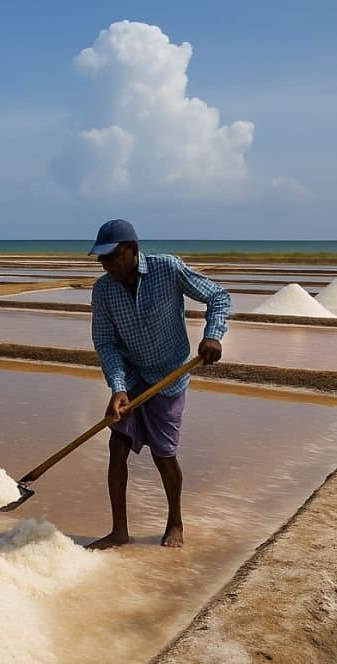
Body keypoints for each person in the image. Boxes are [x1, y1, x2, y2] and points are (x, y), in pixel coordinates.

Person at [86, 219, 230, 550]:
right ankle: (119, 530)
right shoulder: (104, 290)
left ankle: (175, 521)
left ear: (132, 251)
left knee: (164, 455)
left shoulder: (168, 268)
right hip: (133, 375)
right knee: (117, 447)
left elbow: (218, 297)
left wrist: (213, 336)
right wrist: (118, 388)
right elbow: (106, 343)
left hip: (170, 375)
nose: (106, 265)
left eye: (112, 257)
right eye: (102, 260)